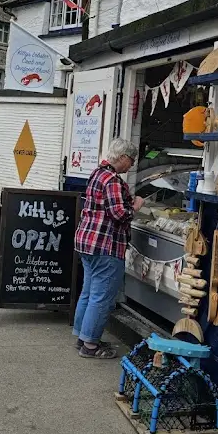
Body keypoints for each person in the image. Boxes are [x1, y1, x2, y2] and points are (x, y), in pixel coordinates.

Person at [73, 138, 144, 358]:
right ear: (122, 158)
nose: (131, 166)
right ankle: (91, 346)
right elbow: (119, 214)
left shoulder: (97, 173)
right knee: (101, 297)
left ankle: (81, 336)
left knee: (88, 292)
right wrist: (136, 207)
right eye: (130, 161)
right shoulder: (112, 179)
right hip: (106, 245)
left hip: (87, 241)